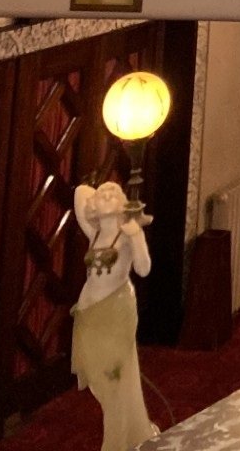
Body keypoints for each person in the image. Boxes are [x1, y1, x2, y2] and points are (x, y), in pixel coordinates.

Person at [71, 178, 160, 451]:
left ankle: (117, 442)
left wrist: (135, 233)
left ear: (122, 203)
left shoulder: (126, 236)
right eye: (103, 193)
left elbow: (144, 269)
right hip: (90, 314)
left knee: (116, 380)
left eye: (114, 192)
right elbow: (79, 192)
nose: (107, 194)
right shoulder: (94, 232)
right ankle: (132, 430)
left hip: (116, 312)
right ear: (94, 205)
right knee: (102, 381)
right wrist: (98, 194)